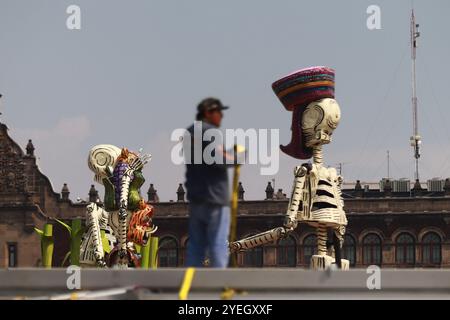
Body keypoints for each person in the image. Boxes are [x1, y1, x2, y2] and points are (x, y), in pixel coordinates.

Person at [184, 97, 234, 268]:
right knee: (218, 244)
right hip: (215, 199)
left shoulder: (190, 132)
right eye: (219, 112)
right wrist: (237, 157)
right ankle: (219, 288)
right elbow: (218, 159)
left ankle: (190, 286)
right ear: (208, 112)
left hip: (196, 198)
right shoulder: (210, 132)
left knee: (196, 247)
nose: (221, 116)